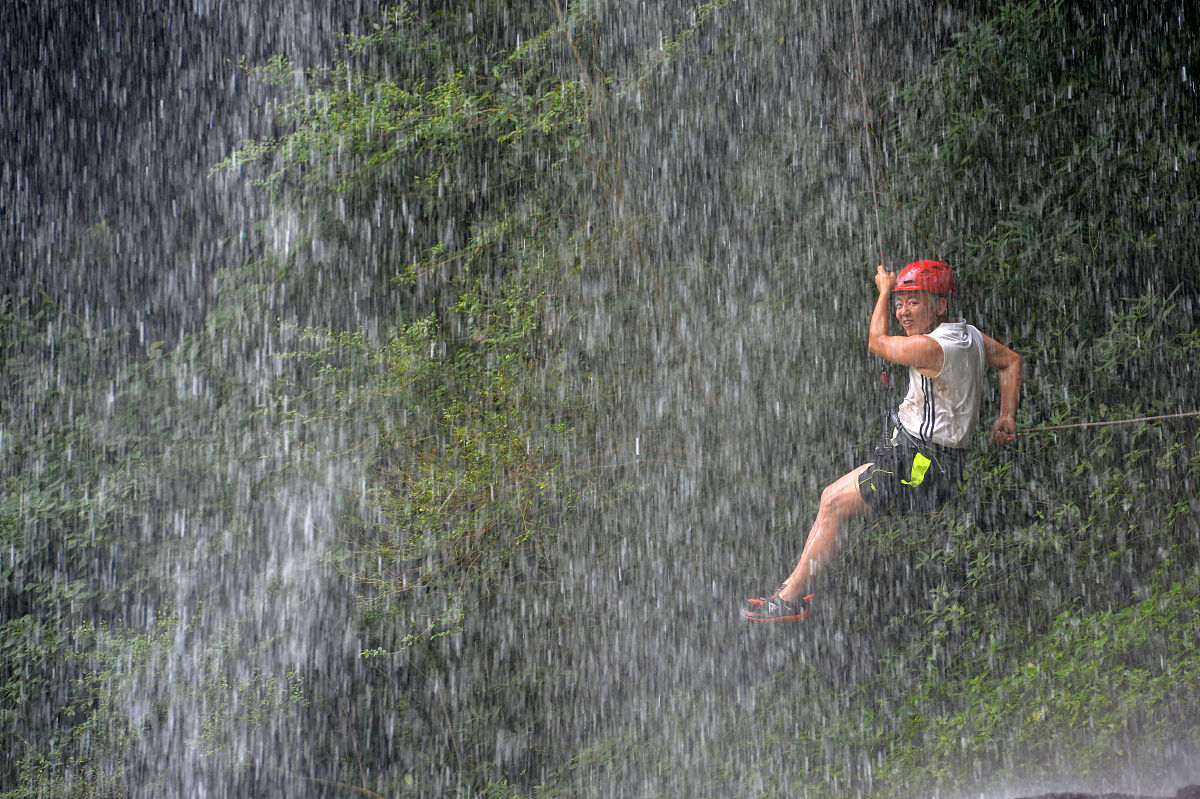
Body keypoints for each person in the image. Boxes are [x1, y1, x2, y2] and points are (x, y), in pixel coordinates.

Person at [742, 260, 1023, 623]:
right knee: (830, 498)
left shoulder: (930, 347)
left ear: (940, 305)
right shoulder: (968, 335)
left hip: (922, 466)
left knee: (834, 507)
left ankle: (790, 601)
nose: (903, 312)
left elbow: (876, 341)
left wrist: (884, 290)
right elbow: (1011, 361)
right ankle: (790, 590)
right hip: (923, 461)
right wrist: (1006, 415)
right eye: (900, 303)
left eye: (914, 302)